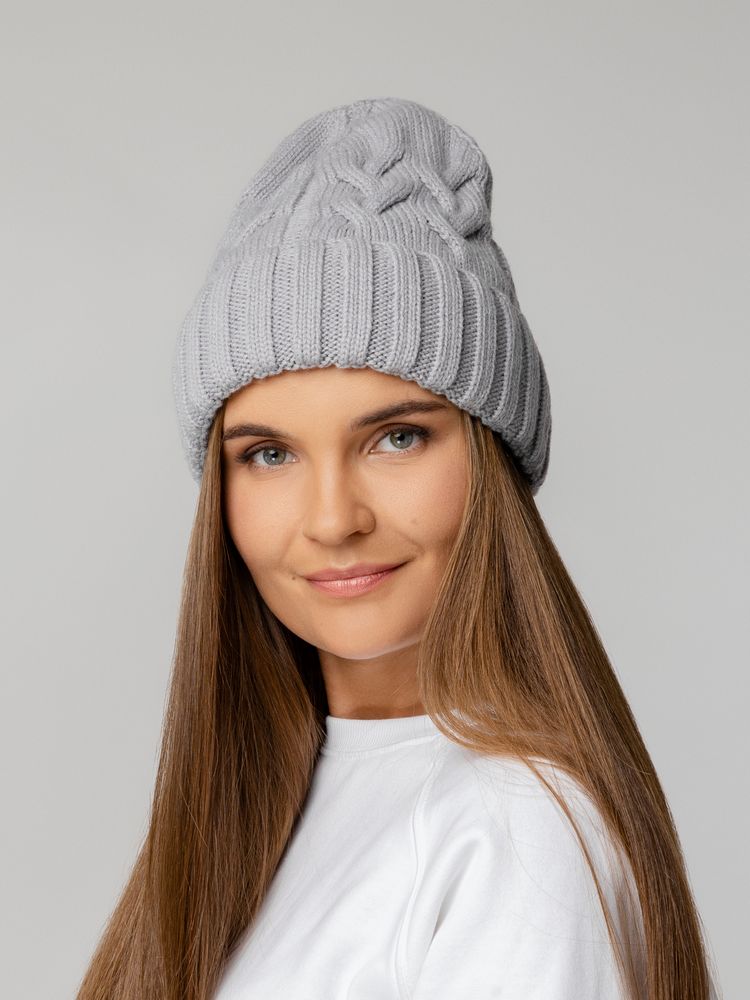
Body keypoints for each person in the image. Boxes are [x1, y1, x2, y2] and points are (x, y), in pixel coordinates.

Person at [76, 96, 720, 1000]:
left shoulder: (514, 829)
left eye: (397, 437)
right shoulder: (247, 819)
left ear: (490, 460)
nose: (332, 519)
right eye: (269, 454)